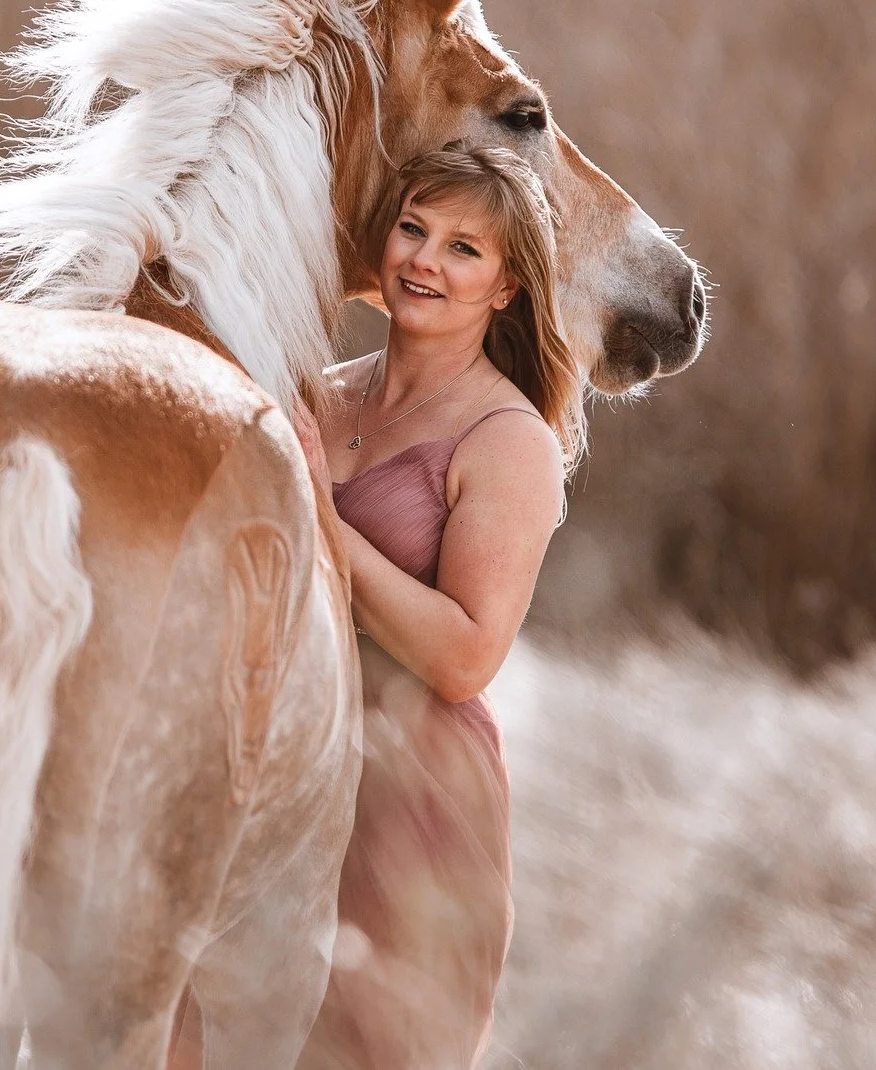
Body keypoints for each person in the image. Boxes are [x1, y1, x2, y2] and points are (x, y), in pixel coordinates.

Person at [291, 141, 580, 1069]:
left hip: (411, 808)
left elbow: (464, 658)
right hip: (278, 777)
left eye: (464, 248)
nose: (424, 260)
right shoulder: (313, 396)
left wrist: (318, 516)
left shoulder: (510, 440)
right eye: (412, 229)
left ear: (506, 287)